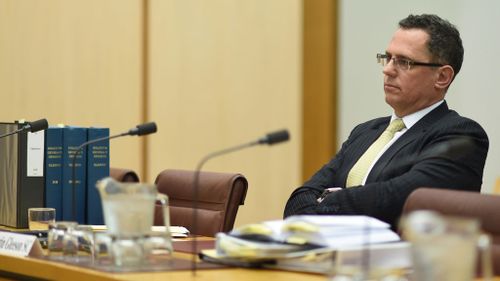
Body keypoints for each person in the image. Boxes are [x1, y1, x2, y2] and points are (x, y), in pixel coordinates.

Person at [284, 14, 489, 229]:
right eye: (388, 57)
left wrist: (326, 200)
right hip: (333, 258)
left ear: (442, 77)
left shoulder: (461, 135)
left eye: (404, 62)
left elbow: (400, 198)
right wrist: (329, 204)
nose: (388, 69)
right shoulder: (365, 132)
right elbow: (298, 201)